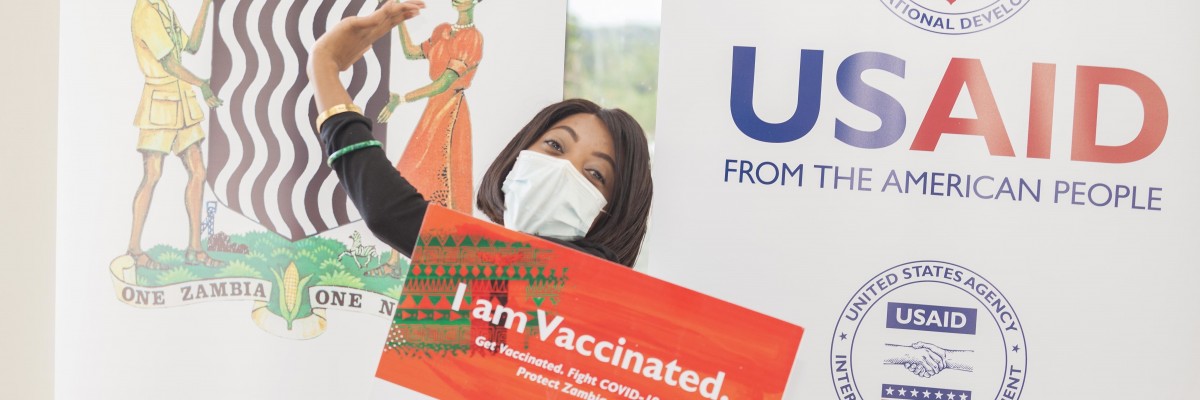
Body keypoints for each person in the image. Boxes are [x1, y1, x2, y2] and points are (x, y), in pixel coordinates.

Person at [307, 1, 653, 267]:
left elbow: (389, 212)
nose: (564, 171)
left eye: (595, 174)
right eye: (555, 146)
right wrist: (327, 64)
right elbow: (389, 211)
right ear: (518, 155)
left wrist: (326, 66)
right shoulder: (480, 261)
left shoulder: (591, 284)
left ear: (618, 208)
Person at [376, 0, 485, 269]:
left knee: (443, 185)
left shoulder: (473, 39)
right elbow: (412, 53)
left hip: (450, 112)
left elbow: (444, 83)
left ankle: (440, 264)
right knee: (408, 175)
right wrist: (398, 20)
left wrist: (402, 98)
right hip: (431, 112)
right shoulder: (443, 29)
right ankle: (393, 261)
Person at [128, 0, 225, 269]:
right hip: (159, 102)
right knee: (152, 175)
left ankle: (195, 249)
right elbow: (170, 63)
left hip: (181, 100)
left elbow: (191, 46)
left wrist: (207, 4)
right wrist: (202, 84)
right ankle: (134, 250)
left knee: (198, 172)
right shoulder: (145, 12)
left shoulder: (163, 7)